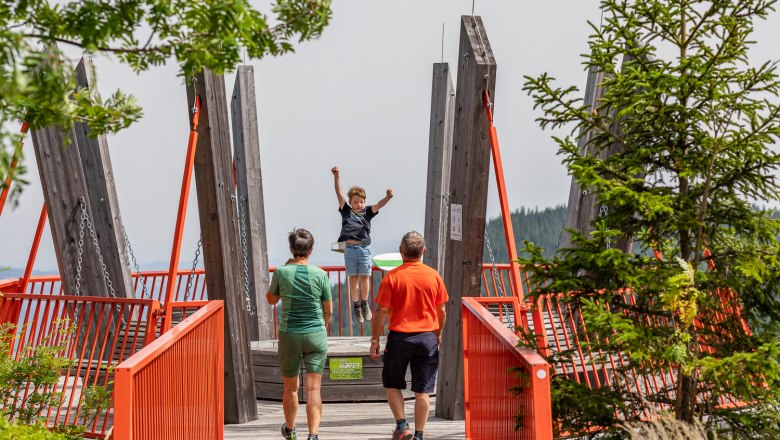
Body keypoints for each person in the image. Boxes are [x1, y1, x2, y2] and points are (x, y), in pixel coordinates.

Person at [369, 231, 448, 440]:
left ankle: (402, 426)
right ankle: (420, 434)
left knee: (393, 384)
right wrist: (437, 334)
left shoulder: (392, 277)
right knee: (423, 390)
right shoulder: (433, 276)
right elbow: (442, 311)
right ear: (423, 251)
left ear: (401, 251)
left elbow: (381, 312)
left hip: (399, 338)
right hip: (426, 338)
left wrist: (375, 340)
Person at [267, 228, 333, 440]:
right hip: (316, 333)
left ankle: (291, 429)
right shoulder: (321, 274)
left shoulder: (281, 272)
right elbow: (329, 310)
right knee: (314, 390)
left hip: (290, 334)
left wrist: (285, 271)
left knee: (291, 388)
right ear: (311, 250)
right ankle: (313, 435)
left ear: (291, 249)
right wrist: (321, 326)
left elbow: (271, 299)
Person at [331, 165, 393, 324]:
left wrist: (388, 197)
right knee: (353, 278)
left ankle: (365, 303)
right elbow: (338, 193)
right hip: (350, 249)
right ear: (351, 202)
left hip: (364, 248)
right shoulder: (346, 211)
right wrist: (336, 175)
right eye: (356, 202)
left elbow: (379, 204)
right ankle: (356, 305)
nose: (359, 204)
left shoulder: (367, 212)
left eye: (361, 202)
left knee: (365, 277)